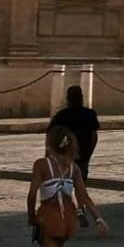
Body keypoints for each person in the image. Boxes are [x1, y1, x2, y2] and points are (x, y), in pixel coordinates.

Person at [25, 126, 109, 247]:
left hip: (48, 217)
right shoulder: (74, 168)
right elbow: (84, 196)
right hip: (69, 220)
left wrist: (31, 216)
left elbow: (32, 194)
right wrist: (98, 218)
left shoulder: (42, 165)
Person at [48, 86, 100, 226]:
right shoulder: (89, 114)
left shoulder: (62, 116)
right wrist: (89, 153)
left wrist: (49, 156)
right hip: (83, 157)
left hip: (65, 157)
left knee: (64, 186)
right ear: (82, 98)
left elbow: (51, 137)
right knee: (81, 185)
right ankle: (80, 208)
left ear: (68, 99)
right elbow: (94, 136)